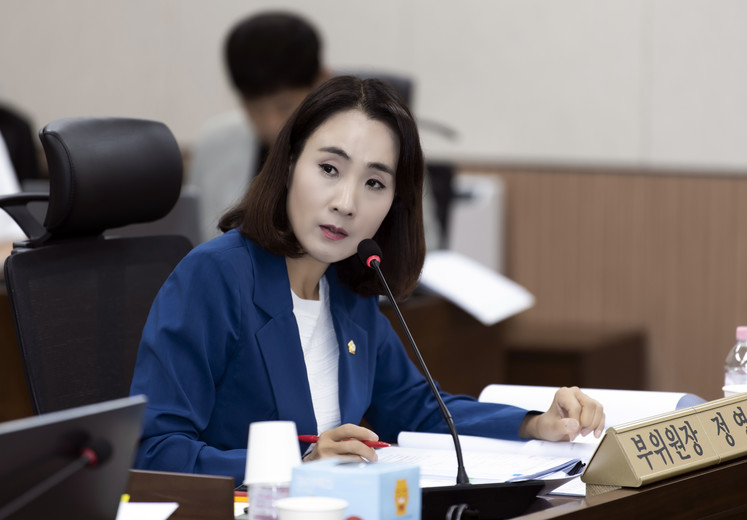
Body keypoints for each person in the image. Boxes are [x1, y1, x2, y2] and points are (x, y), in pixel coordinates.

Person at [130, 76, 605, 482]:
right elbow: (153, 451)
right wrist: (298, 464)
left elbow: (415, 407)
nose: (346, 202)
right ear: (290, 164)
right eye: (329, 169)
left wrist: (534, 424)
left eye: (374, 183)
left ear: (394, 203)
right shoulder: (215, 276)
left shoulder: (348, 288)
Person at [186, 11, 441, 249]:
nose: (271, 124)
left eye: (284, 106)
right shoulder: (214, 144)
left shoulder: (385, 145)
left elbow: (422, 248)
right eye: (254, 109)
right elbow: (198, 243)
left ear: (321, 81)